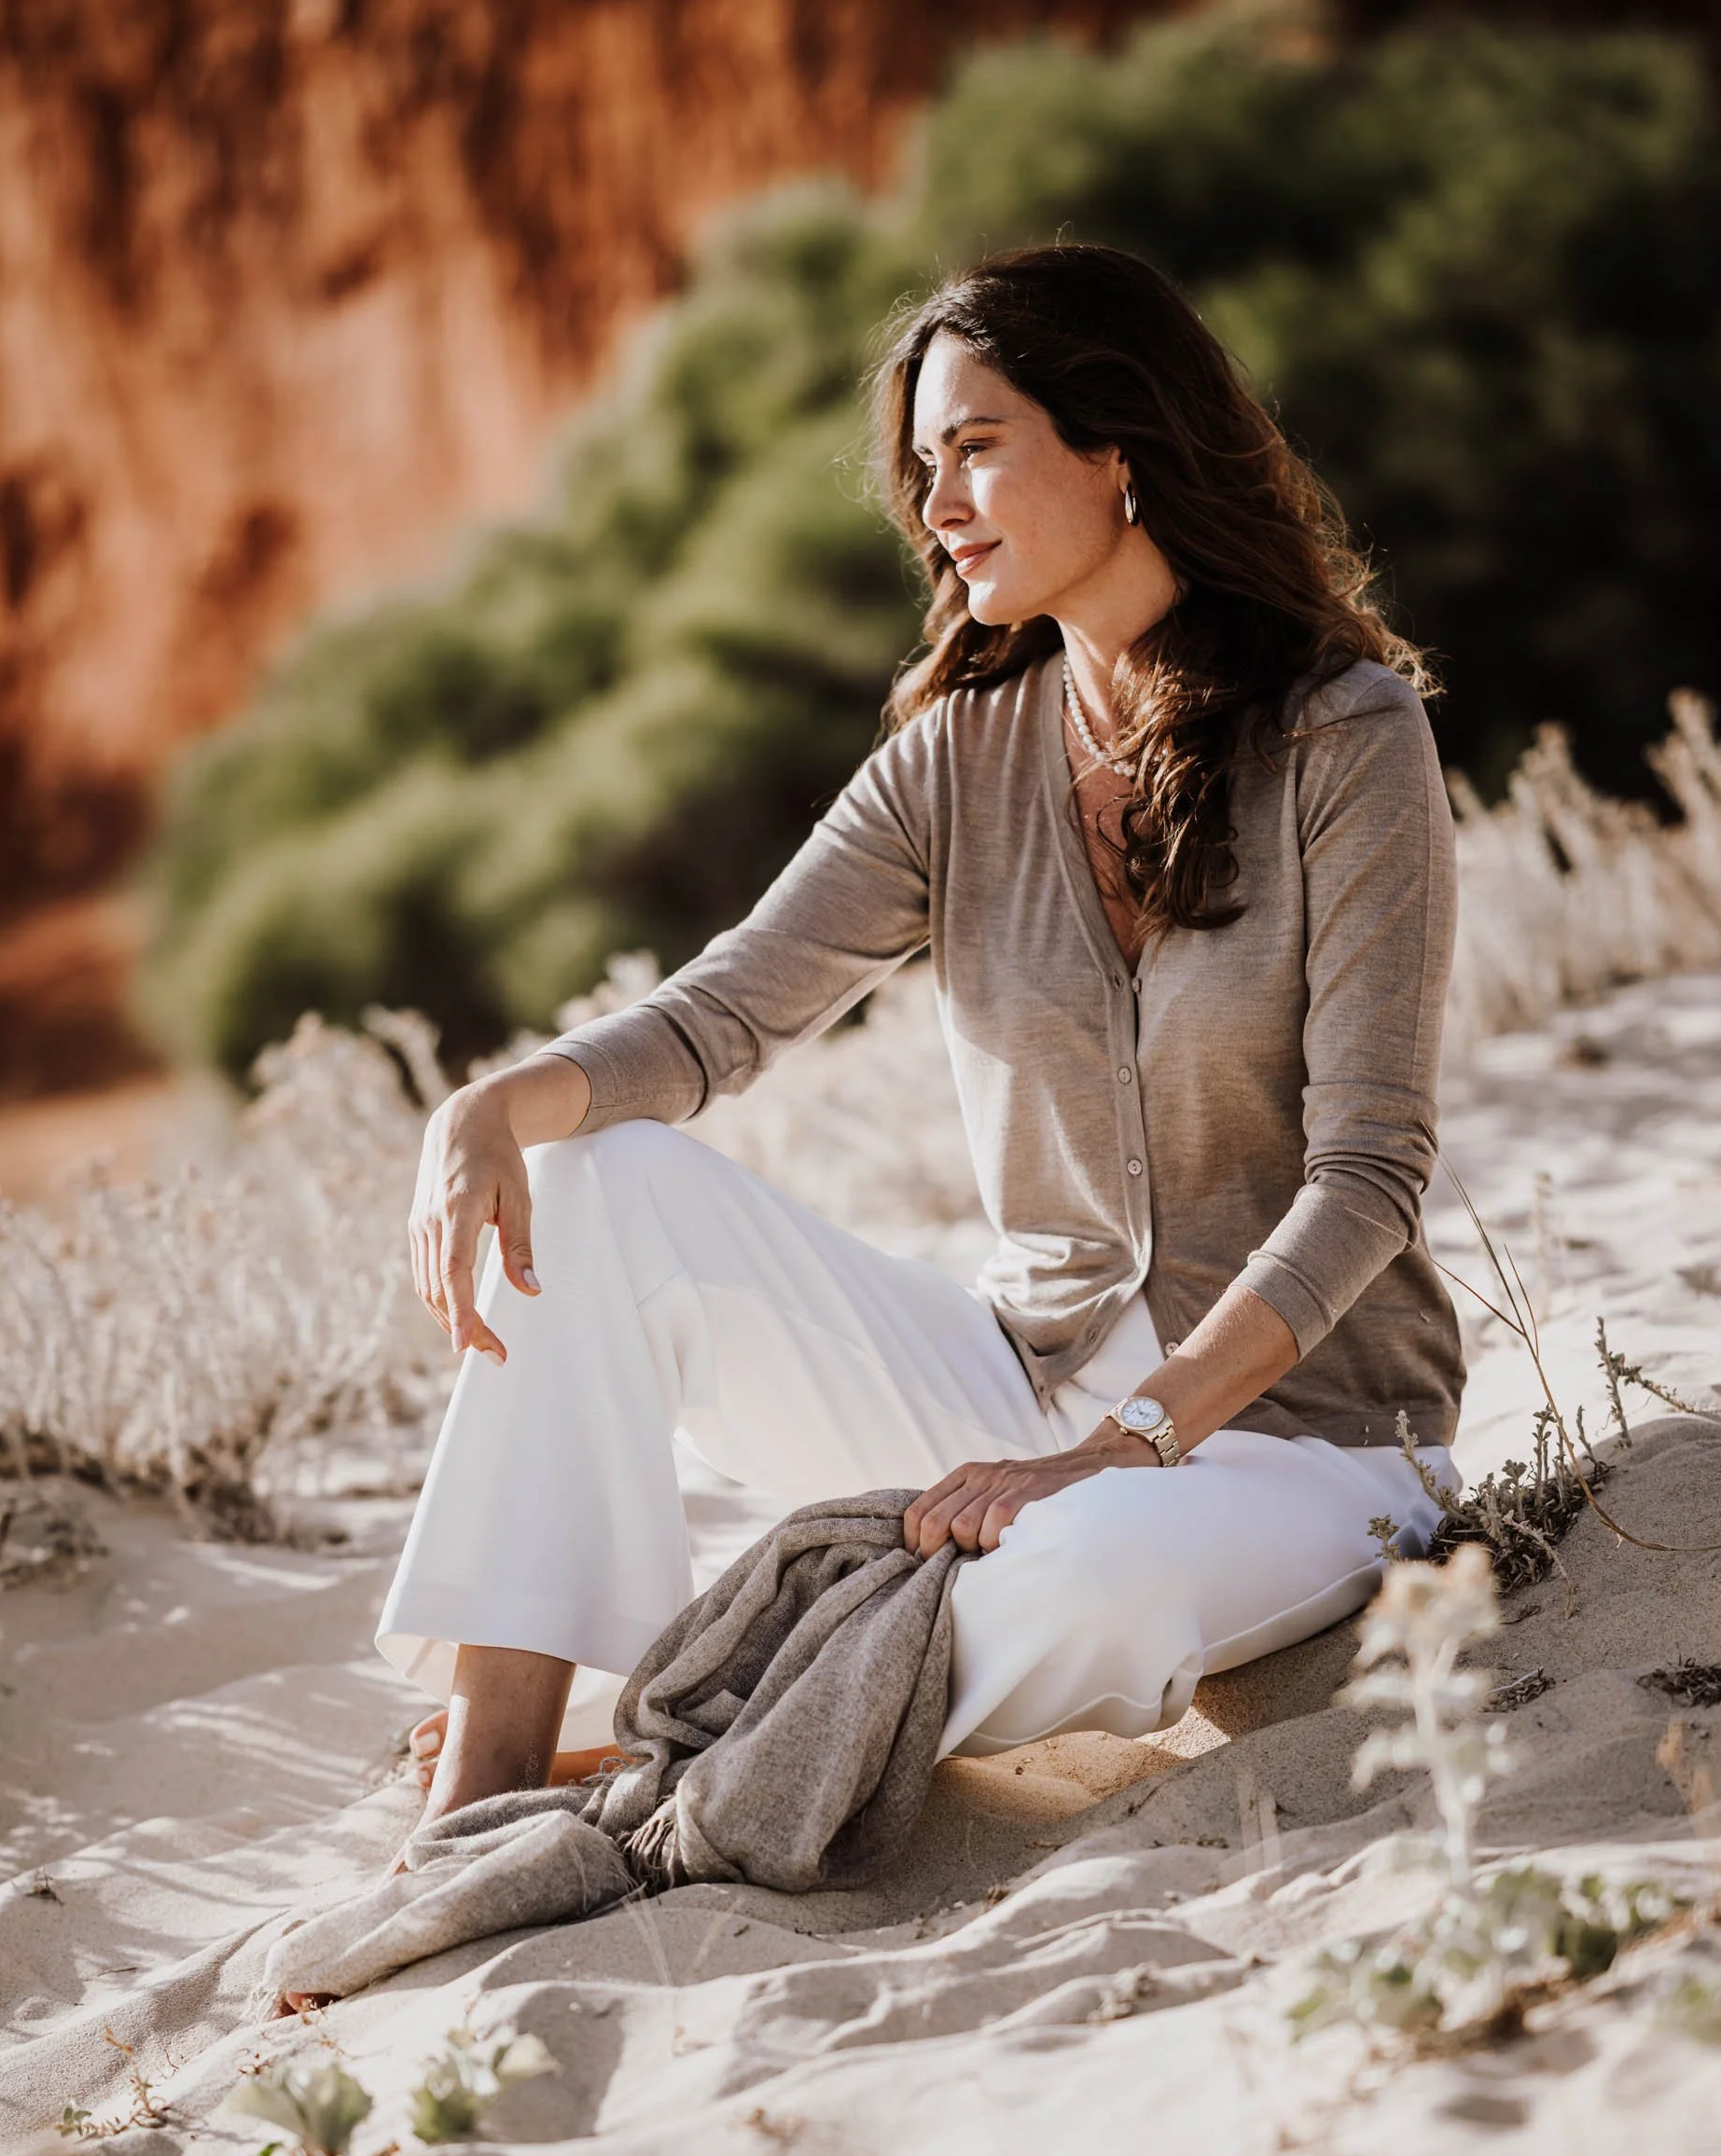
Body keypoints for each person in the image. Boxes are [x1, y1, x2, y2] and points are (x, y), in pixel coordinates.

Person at [379, 241, 1464, 1839]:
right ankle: (487, 1781)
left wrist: (1125, 1446)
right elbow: (729, 1011)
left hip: (1303, 1446)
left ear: (1120, 449)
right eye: (924, 465)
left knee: (1093, 1575)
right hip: (1016, 1388)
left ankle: (675, 1738)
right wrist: (487, 1106)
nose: (937, 504)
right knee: (597, 1179)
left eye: (977, 449)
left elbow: (1368, 1173)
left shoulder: (1346, 735)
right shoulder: (959, 756)